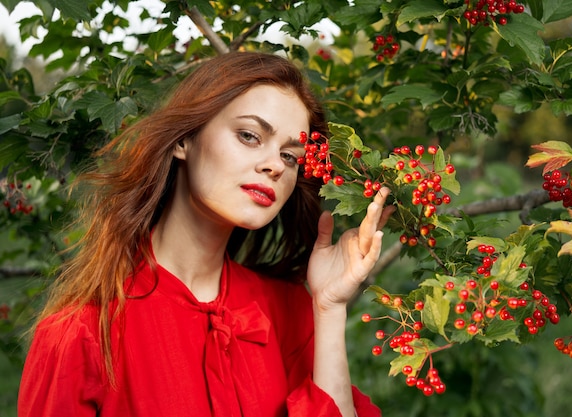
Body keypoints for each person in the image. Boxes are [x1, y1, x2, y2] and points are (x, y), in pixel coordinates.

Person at [17, 51, 394, 417]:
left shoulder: (290, 311)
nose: (274, 166)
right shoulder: (82, 331)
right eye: (249, 136)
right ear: (184, 140)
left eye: (290, 156)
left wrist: (328, 309)